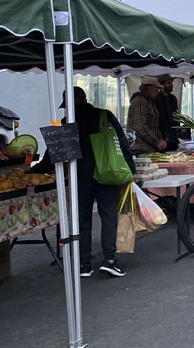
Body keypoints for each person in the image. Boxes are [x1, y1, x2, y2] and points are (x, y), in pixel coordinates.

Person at [43, 87, 135, 278]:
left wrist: (34, 171)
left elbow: (50, 156)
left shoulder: (65, 123)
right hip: (106, 173)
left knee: (81, 219)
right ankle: (110, 260)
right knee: (108, 216)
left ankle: (83, 263)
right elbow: (121, 142)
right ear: (85, 99)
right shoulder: (104, 115)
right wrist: (130, 169)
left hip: (80, 176)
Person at [127, 75, 167, 154]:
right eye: (156, 89)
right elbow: (141, 127)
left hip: (149, 149)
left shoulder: (149, 101)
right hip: (141, 150)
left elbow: (154, 125)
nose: (158, 92)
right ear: (148, 89)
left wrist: (160, 139)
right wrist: (157, 141)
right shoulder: (140, 101)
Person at [154, 73, 180, 148]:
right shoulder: (156, 99)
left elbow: (176, 115)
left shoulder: (173, 98)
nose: (172, 85)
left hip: (173, 135)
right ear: (162, 85)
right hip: (161, 135)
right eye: (168, 83)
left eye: (172, 83)